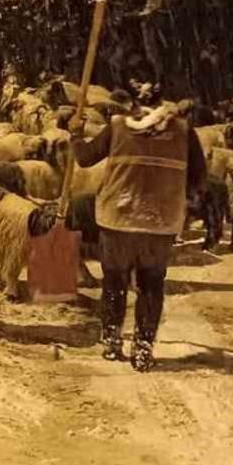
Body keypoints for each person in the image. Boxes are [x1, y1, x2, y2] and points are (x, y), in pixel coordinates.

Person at [69, 82, 205, 373]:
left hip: (117, 218)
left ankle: (111, 339)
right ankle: (143, 347)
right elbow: (198, 177)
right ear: (162, 101)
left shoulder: (118, 126)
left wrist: (76, 134)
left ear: (132, 103)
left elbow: (84, 158)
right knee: (151, 284)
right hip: (160, 222)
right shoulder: (184, 131)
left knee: (114, 280)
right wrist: (180, 199)